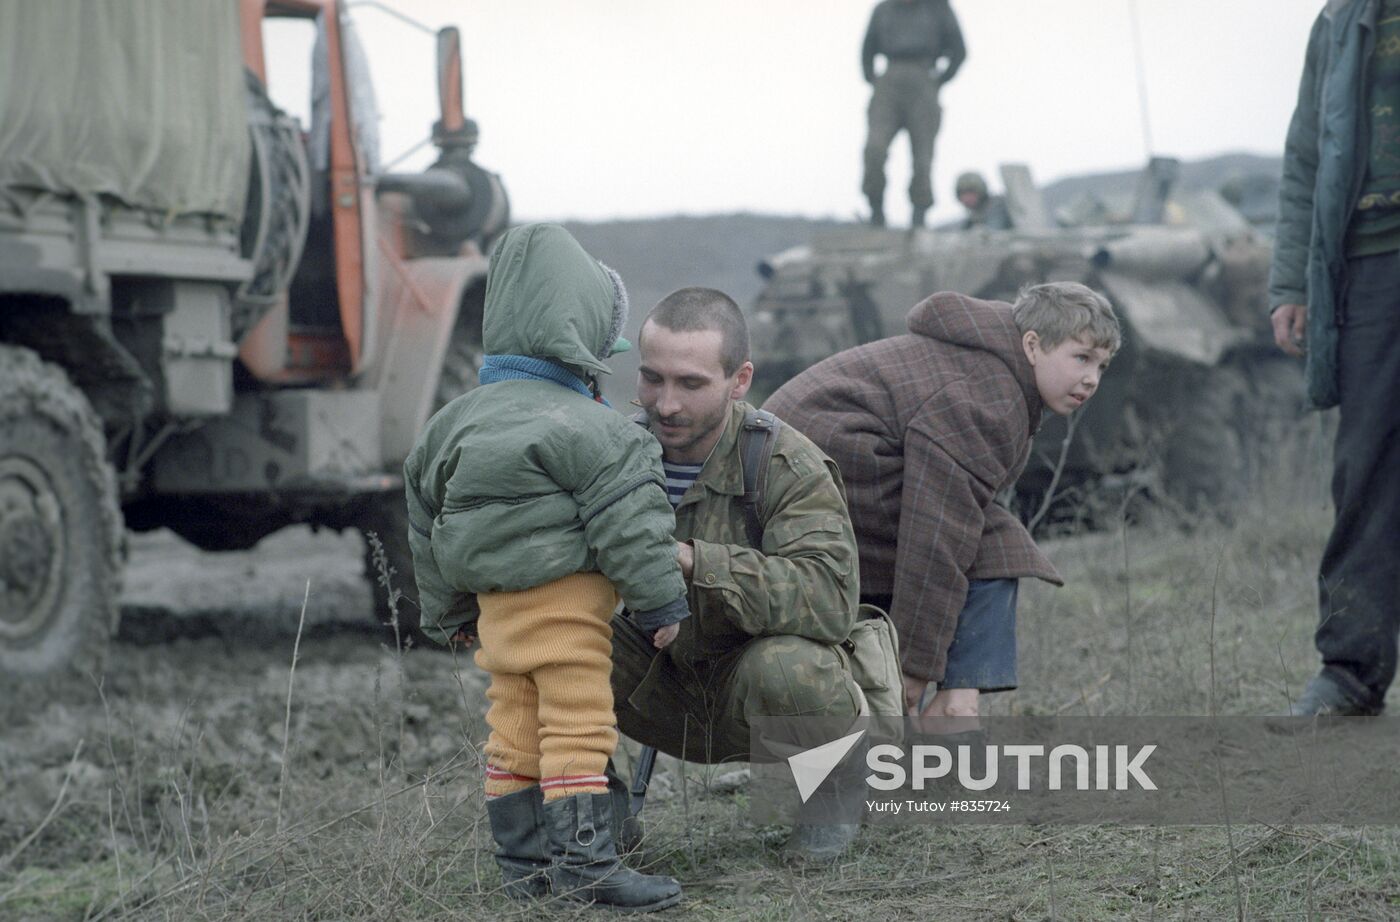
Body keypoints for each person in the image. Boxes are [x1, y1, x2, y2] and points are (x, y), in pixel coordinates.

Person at [403, 224, 687, 911]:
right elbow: (633, 528)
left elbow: (424, 526)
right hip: (568, 622)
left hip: (497, 621)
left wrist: (450, 616)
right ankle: (587, 867)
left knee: (515, 730)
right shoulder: (598, 431)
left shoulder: (449, 424)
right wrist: (659, 607)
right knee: (577, 726)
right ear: (583, 340)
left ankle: (523, 872)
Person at [764, 283, 1120, 719]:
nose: (1092, 379)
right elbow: (936, 535)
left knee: (989, 537)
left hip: (816, 467)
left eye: (1102, 365)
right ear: (1032, 345)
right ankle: (940, 708)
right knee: (983, 543)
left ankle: (943, 702)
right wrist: (915, 667)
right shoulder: (989, 397)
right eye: (1081, 358)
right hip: (811, 472)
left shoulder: (989, 367)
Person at [611, 286, 870, 862]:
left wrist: (694, 560)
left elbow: (829, 600)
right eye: (652, 378)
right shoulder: (611, 455)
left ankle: (833, 791)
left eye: (691, 383)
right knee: (546, 644)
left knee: (790, 665)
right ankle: (592, 819)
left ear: (740, 379)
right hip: (658, 683)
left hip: (757, 693)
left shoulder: (783, 462)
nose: (667, 404)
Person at [1270, 0, 1400, 717]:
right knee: (1365, 473)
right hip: (1371, 269)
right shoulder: (1341, 20)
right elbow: (1306, 156)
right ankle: (1350, 671)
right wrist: (1291, 282)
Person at [861, 0, 966, 228]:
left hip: (924, 78)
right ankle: (876, 212)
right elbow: (867, 49)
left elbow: (959, 50)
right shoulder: (883, 10)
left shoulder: (938, 8)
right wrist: (873, 79)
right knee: (874, 149)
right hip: (889, 80)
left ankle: (919, 216)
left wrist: (940, 80)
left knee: (922, 157)